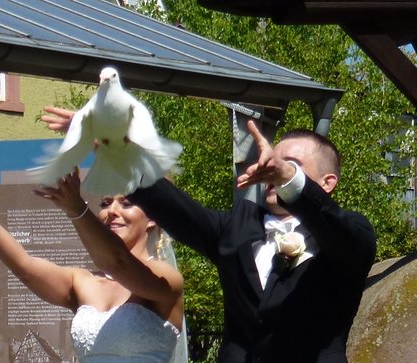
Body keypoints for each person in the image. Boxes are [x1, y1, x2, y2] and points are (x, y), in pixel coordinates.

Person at [40, 106, 377, 362]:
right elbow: (171, 205)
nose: (272, 167)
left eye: (291, 164)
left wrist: (289, 178)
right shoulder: (235, 228)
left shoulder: (349, 237)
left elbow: (337, 229)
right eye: (272, 159)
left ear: (327, 183)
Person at [0, 165, 186, 362]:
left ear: (152, 218)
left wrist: (77, 210)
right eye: (106, 203)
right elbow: (23, 266)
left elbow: (118, 262)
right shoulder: (82, 281)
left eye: (127, 203)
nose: (112, 211)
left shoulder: (165, 279)